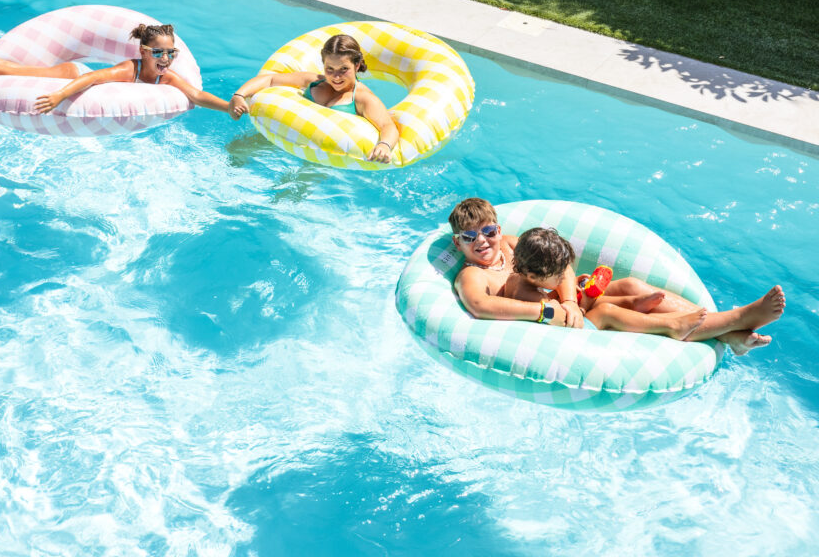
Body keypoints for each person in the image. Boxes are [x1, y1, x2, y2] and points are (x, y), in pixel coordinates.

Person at [449, 197, 785, 356]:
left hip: (569, 308)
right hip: (556, 329)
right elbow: (480, 306)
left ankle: (728, 334)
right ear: (458, 242)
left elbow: (560, 265)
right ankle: (724, 319)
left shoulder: (511, 245)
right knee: (608, 311)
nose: (482, 241)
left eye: (488, 230)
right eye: (469, 237)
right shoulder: (473, 276)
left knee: (633, 287)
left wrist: (569, 298)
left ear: (499, 228)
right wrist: (546, 311)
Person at [0, 24, 230, 113]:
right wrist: (59, 96)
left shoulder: (166, 76)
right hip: (69, 76)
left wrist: (228, 106)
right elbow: (90, 77)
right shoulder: (128, 69)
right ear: (144, 51)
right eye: (159, 53)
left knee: (3, 66)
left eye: (171, 53)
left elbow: (196, 95)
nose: (167, 59)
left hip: (70, 74)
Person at [227, 34, 399, 163]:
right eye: (329, 69)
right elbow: (270, 79)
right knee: (234, 152)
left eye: (343, 69)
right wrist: (239, 95)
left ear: (357, 65)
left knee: (292, 192)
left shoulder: (363, 98)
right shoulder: (315, 82)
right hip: (286, 135)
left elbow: (387, 126)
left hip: (321, 156)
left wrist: (384, 145)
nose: (336, 77)